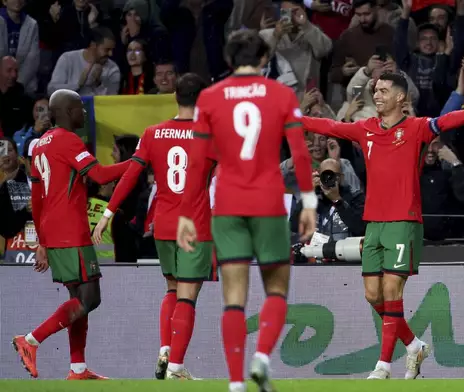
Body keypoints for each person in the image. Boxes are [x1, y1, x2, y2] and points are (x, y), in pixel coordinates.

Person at [301, 72, 464, 379]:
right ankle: (414, 345)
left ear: (401, 97)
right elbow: (331, 126)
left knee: (392, 291)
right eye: (375, 90)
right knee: (373, 295)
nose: (377, 95)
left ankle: (383, 365)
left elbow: (443, 122)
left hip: (404, 221)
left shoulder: (416, 128)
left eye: (384, 91)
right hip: (374, 223)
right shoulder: (366, 128)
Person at [176, 29, 317, 392]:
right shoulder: (281, 94)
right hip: (268, 201)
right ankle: (263, 358)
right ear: (264, 59)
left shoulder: (208, 97)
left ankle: (236, 383)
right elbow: (300, 153)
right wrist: (309, 203)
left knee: (233, 296)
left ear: (227, 59)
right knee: (276, 289)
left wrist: (187, 215)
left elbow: (196, 162)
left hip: (227, 204)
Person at [92, 73, 211, 380]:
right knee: (188, 296)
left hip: (163, 226)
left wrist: (107, 213)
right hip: (194, 225)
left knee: (172, 288)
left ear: (176, 97)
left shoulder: (153, 132)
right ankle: (176, 367)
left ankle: (165, 348)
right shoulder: (210, 134)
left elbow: (131, 173)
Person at [12, 89, 130, 380]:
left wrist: (41, 241)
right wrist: (139, 161)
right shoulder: (68, 140)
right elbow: (100, 176)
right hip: (71, 231)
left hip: (54, 232)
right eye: (80, 108)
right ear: (67, 111)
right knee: (90, 298)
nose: (85, 114)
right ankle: (30, 340)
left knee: (79, 298)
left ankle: (77, 368)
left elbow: (36, 198)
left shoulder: (39, 145)